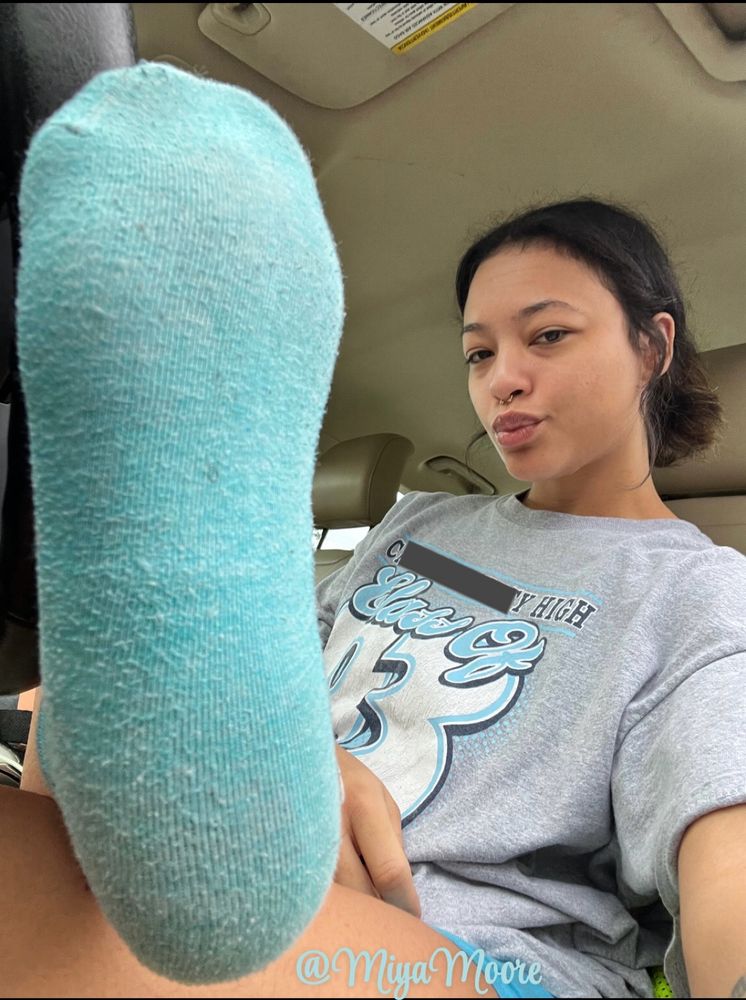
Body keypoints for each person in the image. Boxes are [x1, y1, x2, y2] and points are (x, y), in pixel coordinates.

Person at [317, 199, 746, 997]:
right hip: (252, 855)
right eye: (479, 353)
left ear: (651, 347)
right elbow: (262, 679)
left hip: (464, 955)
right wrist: (305, 763)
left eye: (547, 335)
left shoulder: (699, 591)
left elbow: (726, 833)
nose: (502, 380)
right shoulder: (417, 522)